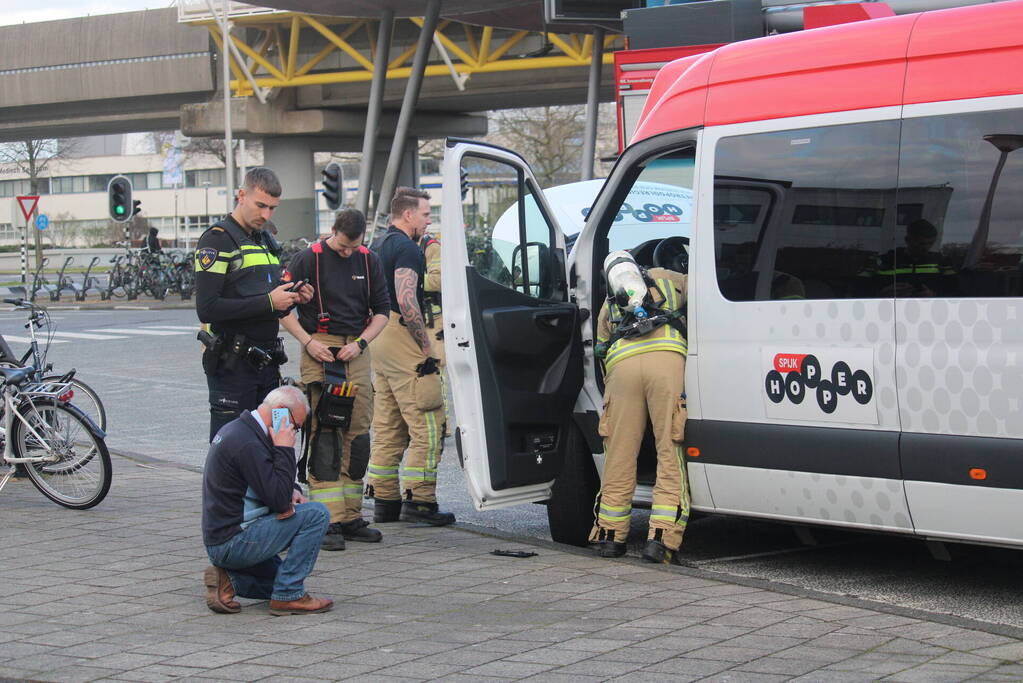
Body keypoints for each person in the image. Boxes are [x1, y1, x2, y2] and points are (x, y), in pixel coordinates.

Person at [280, 209, 390, 551]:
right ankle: (326, 519)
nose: (347, 253)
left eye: (353, 247)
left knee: (357, 433)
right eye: (343, 246)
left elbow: (383, 311)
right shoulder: (306, 260)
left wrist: (360, 344)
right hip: (320, 349)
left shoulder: (369, 260)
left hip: (355, 350)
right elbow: (282, 309)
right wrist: (310, 342)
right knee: (326, 432)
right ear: (332, 232)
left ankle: (351, 516)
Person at [195, 167, 313, 442]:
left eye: (272, 208)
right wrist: (270, 302)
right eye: (261, 205)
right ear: (241, 196)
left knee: (270, 448)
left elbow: (269, 302)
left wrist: (293, 298)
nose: (266, 215)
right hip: (233, 366)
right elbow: (208, 308)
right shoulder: (217, 239)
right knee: (233, 453)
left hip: (266, 364)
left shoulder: (266, 242)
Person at [590, 255, 690, 565]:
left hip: (623, 368)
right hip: (667, 361)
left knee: (619, 454)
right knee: (668, 451)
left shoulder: (609, 302)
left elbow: (600, 348)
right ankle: (660, 541)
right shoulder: (666, 276)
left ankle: (610, 537)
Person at [202, 386, 334, 616]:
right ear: (280, 413)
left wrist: (292, 488)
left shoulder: (244, 430)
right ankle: (290, 596)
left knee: (279, 579)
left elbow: (266, 479)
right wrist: (284, 448)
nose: (294, 431)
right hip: (234, 541)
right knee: (317, 514)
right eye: (296, 426)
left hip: (224, 538)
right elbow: (279, 501)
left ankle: (229, 582)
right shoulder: (248, 443)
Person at [366, 188, 455, 526]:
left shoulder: (379, 245)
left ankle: (384, 501)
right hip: (402, 336)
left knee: (388, 424)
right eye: (426, 214)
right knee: (428, 422)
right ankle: (419, 502)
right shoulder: (407, 249)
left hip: (379, 337)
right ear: (407, 215)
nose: (428, 220)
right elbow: (407, 299)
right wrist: (425, 345)